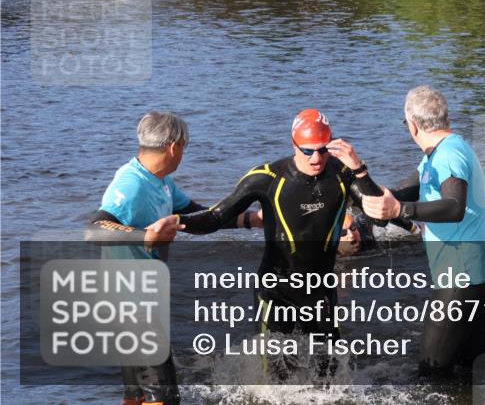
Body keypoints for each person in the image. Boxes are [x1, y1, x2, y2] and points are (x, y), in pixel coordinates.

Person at [177, 109, 397, 380]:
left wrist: (359, 169)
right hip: (275, 291)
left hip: (321, 291)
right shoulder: (267, 177)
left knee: (329, 378)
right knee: (276, 381)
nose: (316, 158)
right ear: (294, 144)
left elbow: (380, 216)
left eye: (323, 150)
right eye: (307, 151)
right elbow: (215, 217)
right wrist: (178, 222)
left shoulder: (342, 173)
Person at [84, 111, 263, 405]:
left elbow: (197, 216)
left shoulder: (161, 180)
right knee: (164, 396)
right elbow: (94, 229)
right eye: (184, 147)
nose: (183, 153)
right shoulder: (131, 184)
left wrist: (249, 219)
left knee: (137, 392)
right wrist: (144, 236)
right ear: (173, 146)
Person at [363, 86, 485, 379]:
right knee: (467, 373)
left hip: (462, 279)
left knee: (431, 376)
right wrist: (358, 172)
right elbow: (398, 193)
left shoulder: (447, 156)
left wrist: (402, 210)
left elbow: (454, 206)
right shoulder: (443, 151)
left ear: (412, 126)